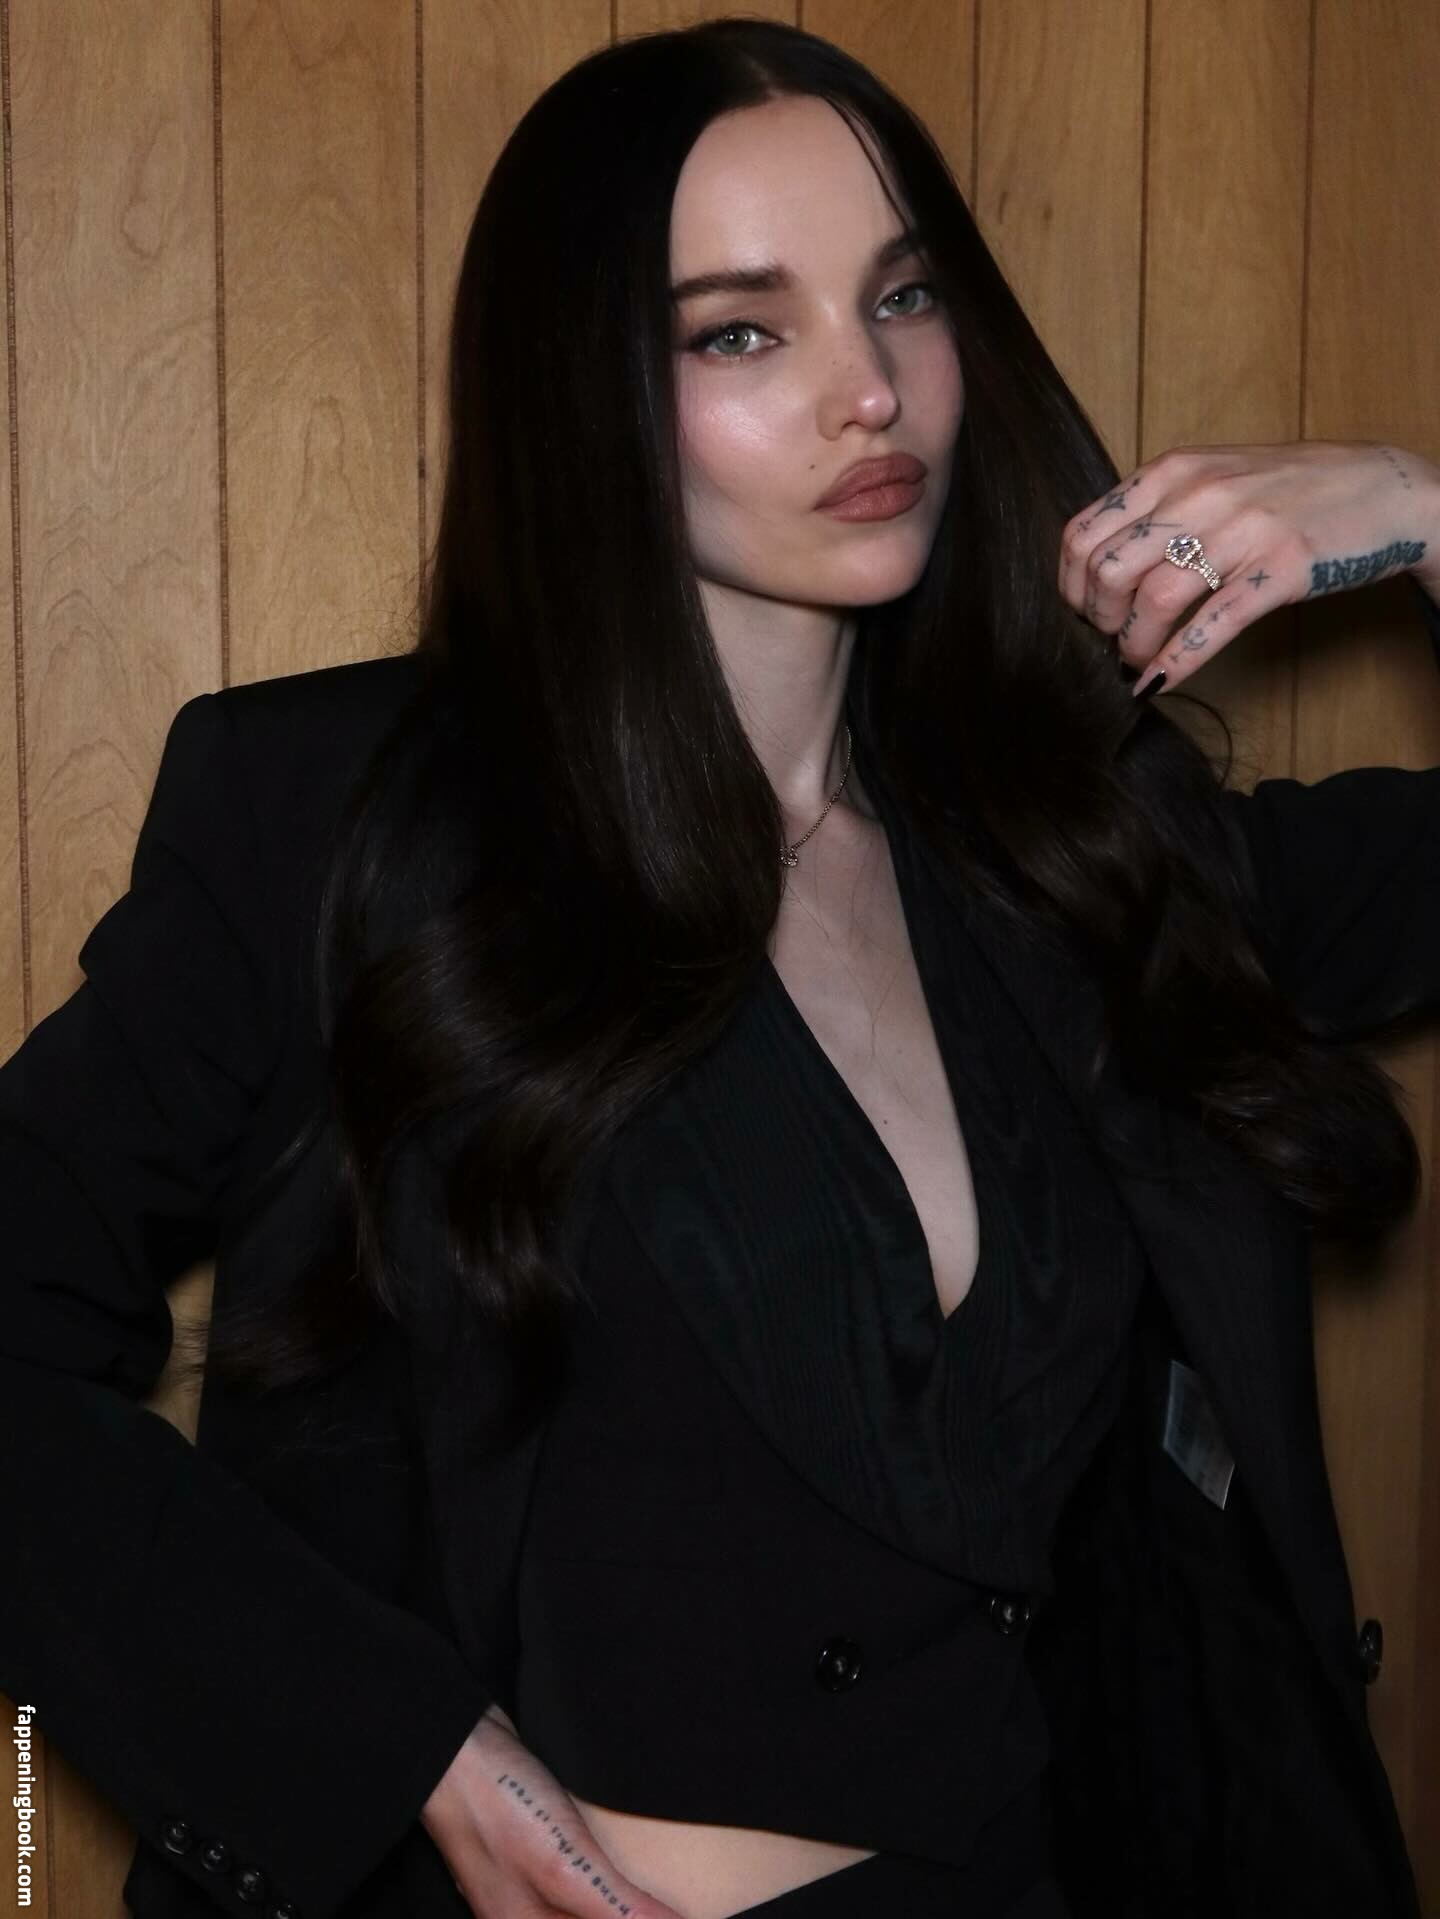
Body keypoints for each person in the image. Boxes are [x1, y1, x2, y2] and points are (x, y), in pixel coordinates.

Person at [3, 15, 1438, 1919]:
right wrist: (391, 1743)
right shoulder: (336, 823)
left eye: (902, 297)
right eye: (740, 333)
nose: (873, 393)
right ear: (580, 388)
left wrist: (1427, 507)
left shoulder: (1085, 845)